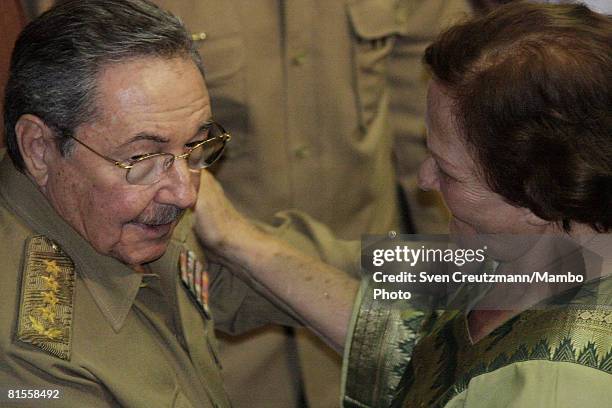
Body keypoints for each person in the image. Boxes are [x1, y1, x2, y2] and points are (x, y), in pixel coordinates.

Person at [192, 2, 612, 407]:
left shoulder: (554, 388)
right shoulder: (536, 249)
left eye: (447, 171)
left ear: (536, 194)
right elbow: (402, 314)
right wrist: (237, 240)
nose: (424, 179)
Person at [0, 1, 352, 406]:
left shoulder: (136, 211)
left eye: (195, 145)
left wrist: (440, 266)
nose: (186, 193)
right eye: (142, 157)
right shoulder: (29, 349)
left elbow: (344, 269)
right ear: (39, 149)